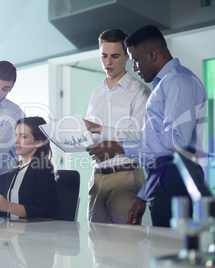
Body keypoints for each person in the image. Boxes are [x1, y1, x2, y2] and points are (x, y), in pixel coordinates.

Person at [87, 25, 209, 227]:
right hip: (162, 177)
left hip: (176, 177)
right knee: (159, 246)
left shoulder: (178, 81)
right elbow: (157, 151)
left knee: (169, 247)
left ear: (152, 54)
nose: (135, 68)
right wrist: (143, 195)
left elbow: (175, 142)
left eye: (135, 60)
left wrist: (120, 147)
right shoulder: (163, 84)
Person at [84, 29, 151, 224]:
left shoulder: (140, 92)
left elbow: (139, 136)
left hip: (126, 177)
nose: (108, 62)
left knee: (126, 248)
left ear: (127, 56)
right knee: (96, 246)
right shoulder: (96, 93)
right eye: (104, 56)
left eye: (115, 56)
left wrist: (98, 128)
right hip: (97, 177)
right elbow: (91, 133)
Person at [0, 116, 56, 219]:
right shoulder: (17, 170)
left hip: (30, 232)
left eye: (23, 137)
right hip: (12, 229)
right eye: (16, 135)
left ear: (39, 142)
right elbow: (6, 213)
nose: (16, 141)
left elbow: (44, 211)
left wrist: (7, 206)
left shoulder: (42, 169)